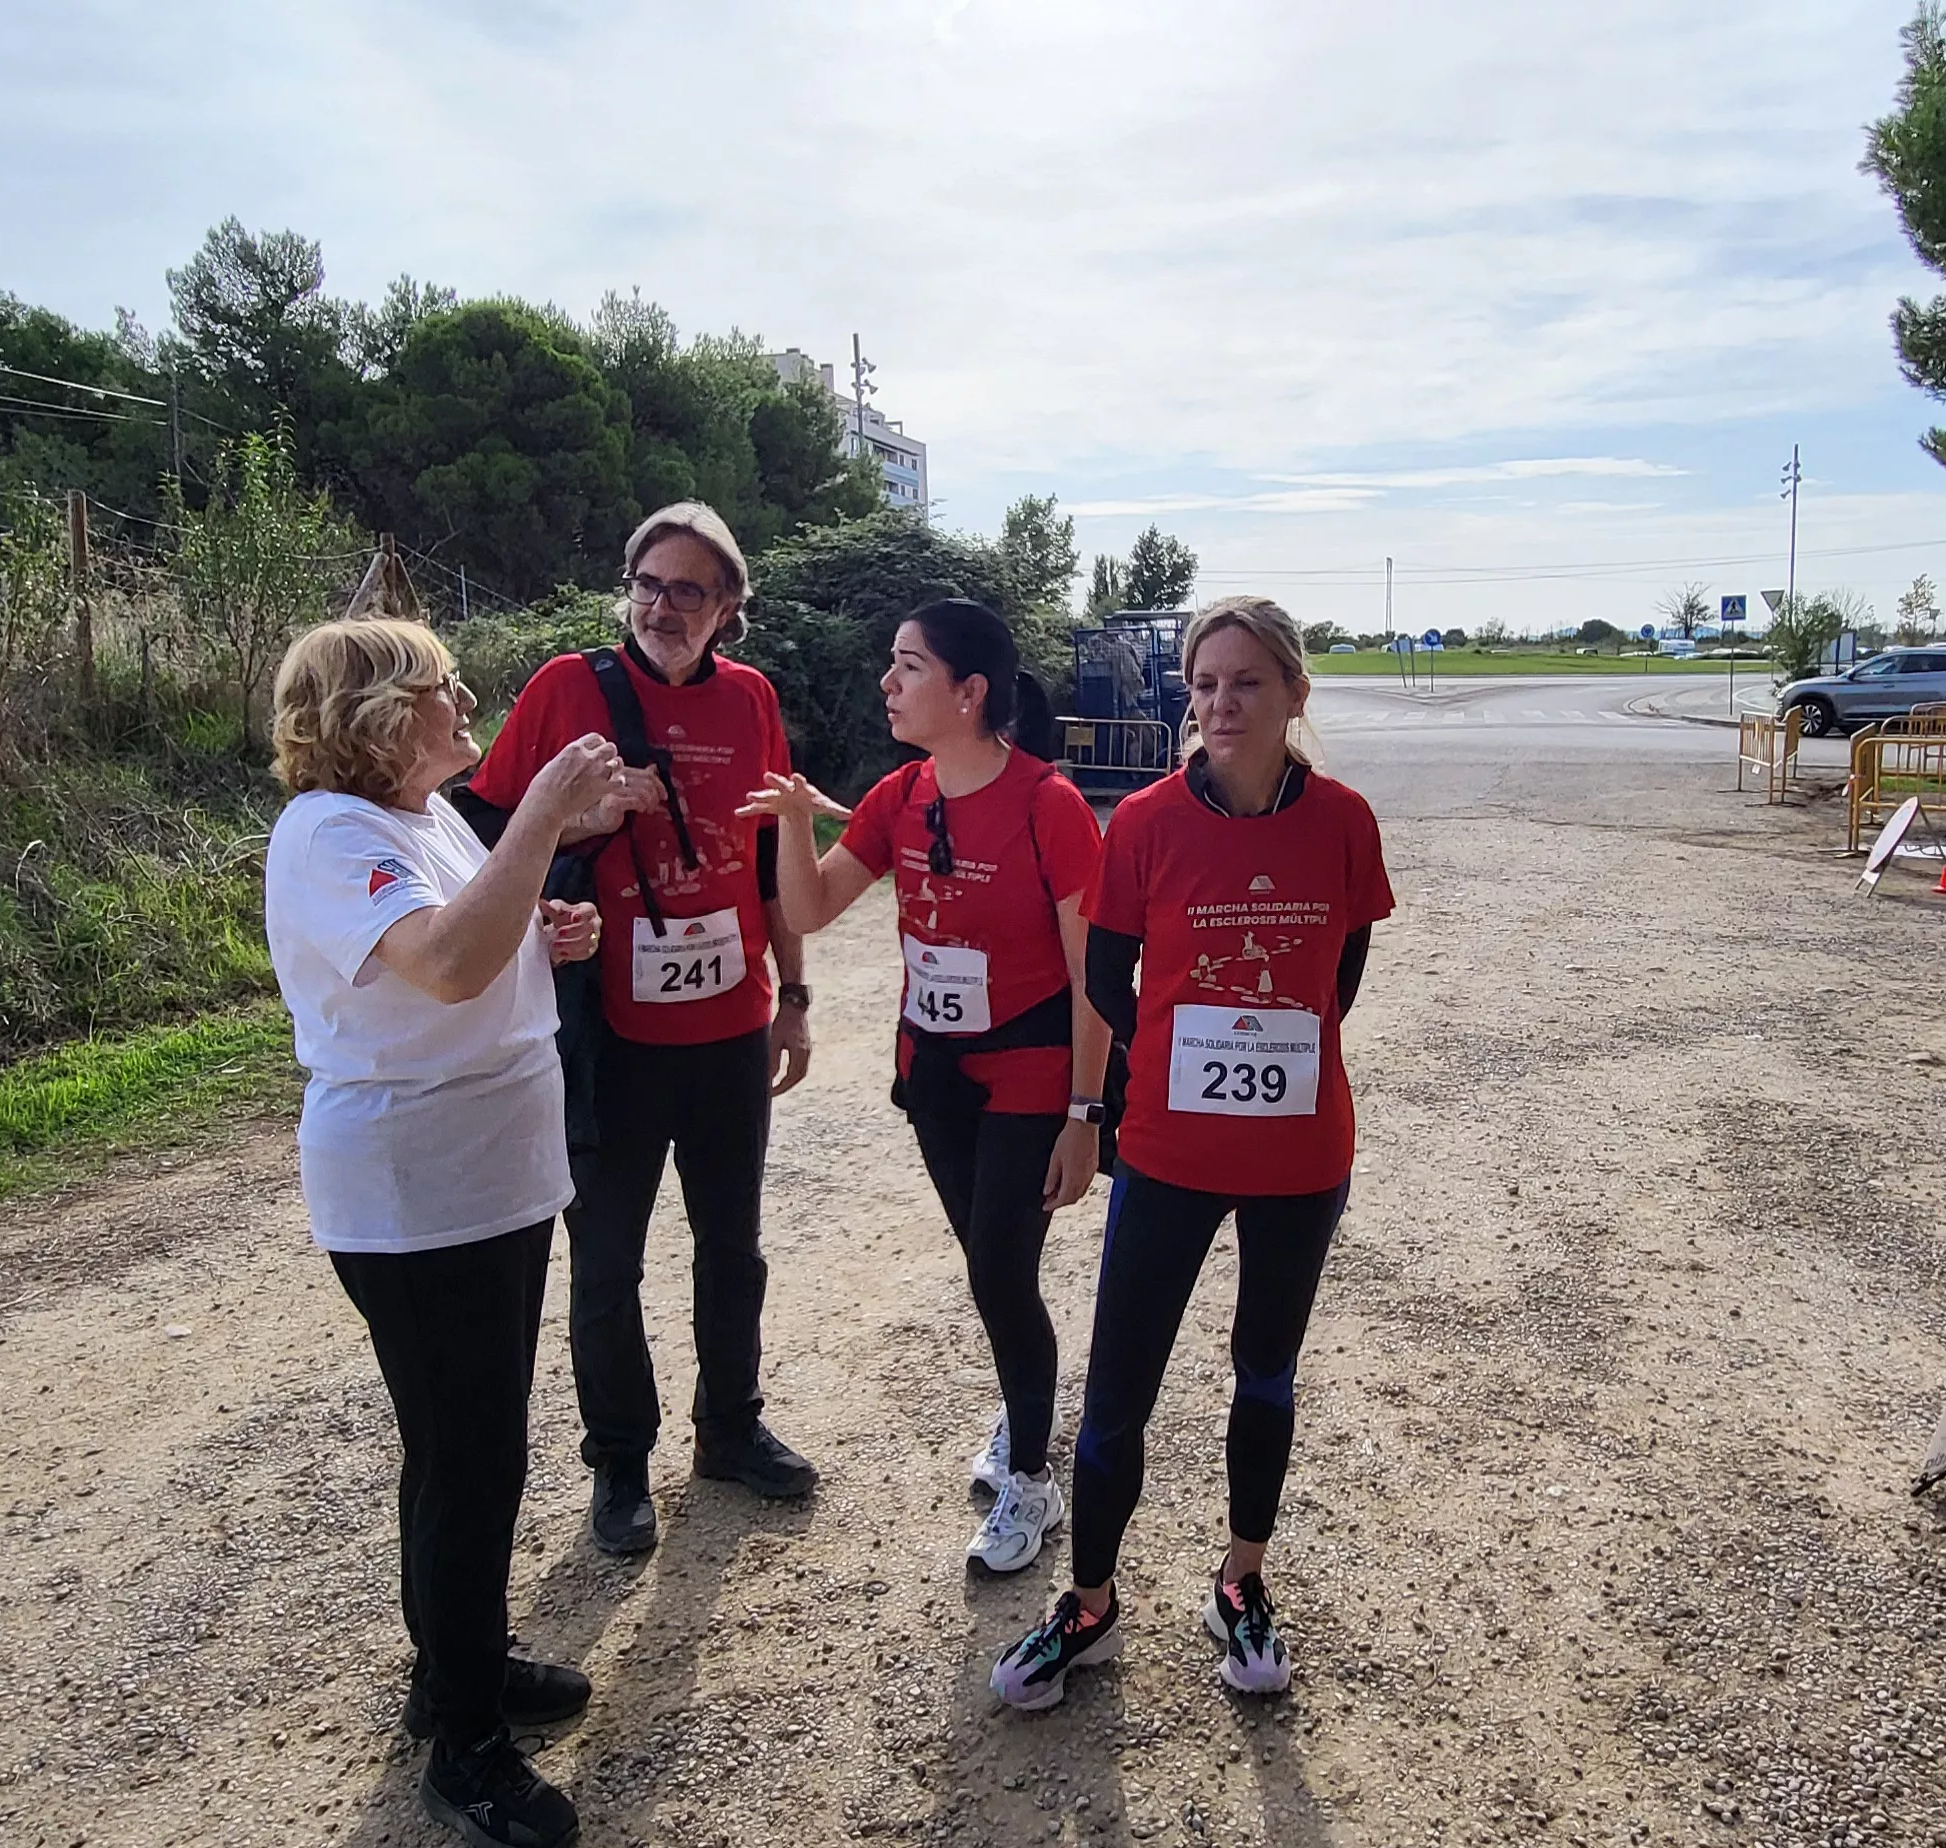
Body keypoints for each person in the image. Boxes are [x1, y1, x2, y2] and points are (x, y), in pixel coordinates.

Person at [988, 594, 1393, 1712]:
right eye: (1204, 683)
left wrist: (1263, 1040)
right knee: (1120, 1388)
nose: (1220, 702)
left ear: (1293, 696)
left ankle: (1241, 1579)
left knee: (1264, 1373)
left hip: (1300, 1156)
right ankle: (1090, 1603)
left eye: (1247, 682)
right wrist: (1183, 1049)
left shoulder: (1346, 821)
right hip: (1167, 1149)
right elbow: (1107, 980)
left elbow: (1338, 979)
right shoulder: (1150, 822)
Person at [261, 617, 627, 1848]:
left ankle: (452, 1671)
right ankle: (465, 1745)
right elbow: (447, 966)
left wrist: (544, 928)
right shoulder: (328, 831)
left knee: (475, 1451)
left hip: (486, 1177)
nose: (464, 698)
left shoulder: (423, 814)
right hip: (418, 1193)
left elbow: (480, 938)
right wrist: (544, 820)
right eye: (438, 686)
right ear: (375, 714)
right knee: (468, 1460)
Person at [462, 502, 820, 1559]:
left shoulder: (751, 698)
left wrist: (792, 996)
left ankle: (731, 1427)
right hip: (601, 1037)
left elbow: (766, 864)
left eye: (690, 590)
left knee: (734, 1249)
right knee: (605, 1259)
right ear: (627, 589)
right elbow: (478, 834)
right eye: (650, 585)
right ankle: (618, 1459)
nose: (665, 607)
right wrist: (585, 819)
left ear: (728, 610)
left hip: (725, 1026)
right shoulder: (565, 690)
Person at [743, 599, 1111, 1576]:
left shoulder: (1048, 805)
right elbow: (812, 904)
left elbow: (1094, 979)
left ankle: (1031, 1477)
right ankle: (1023, 1405)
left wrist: (1086, 1113)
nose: (887, 682)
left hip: (1032, 1072)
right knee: (993, 1270)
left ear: (970, 690)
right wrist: (787, 821)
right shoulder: (901, 795)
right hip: (936, 1073)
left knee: (998, 1270)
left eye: (907, 666)